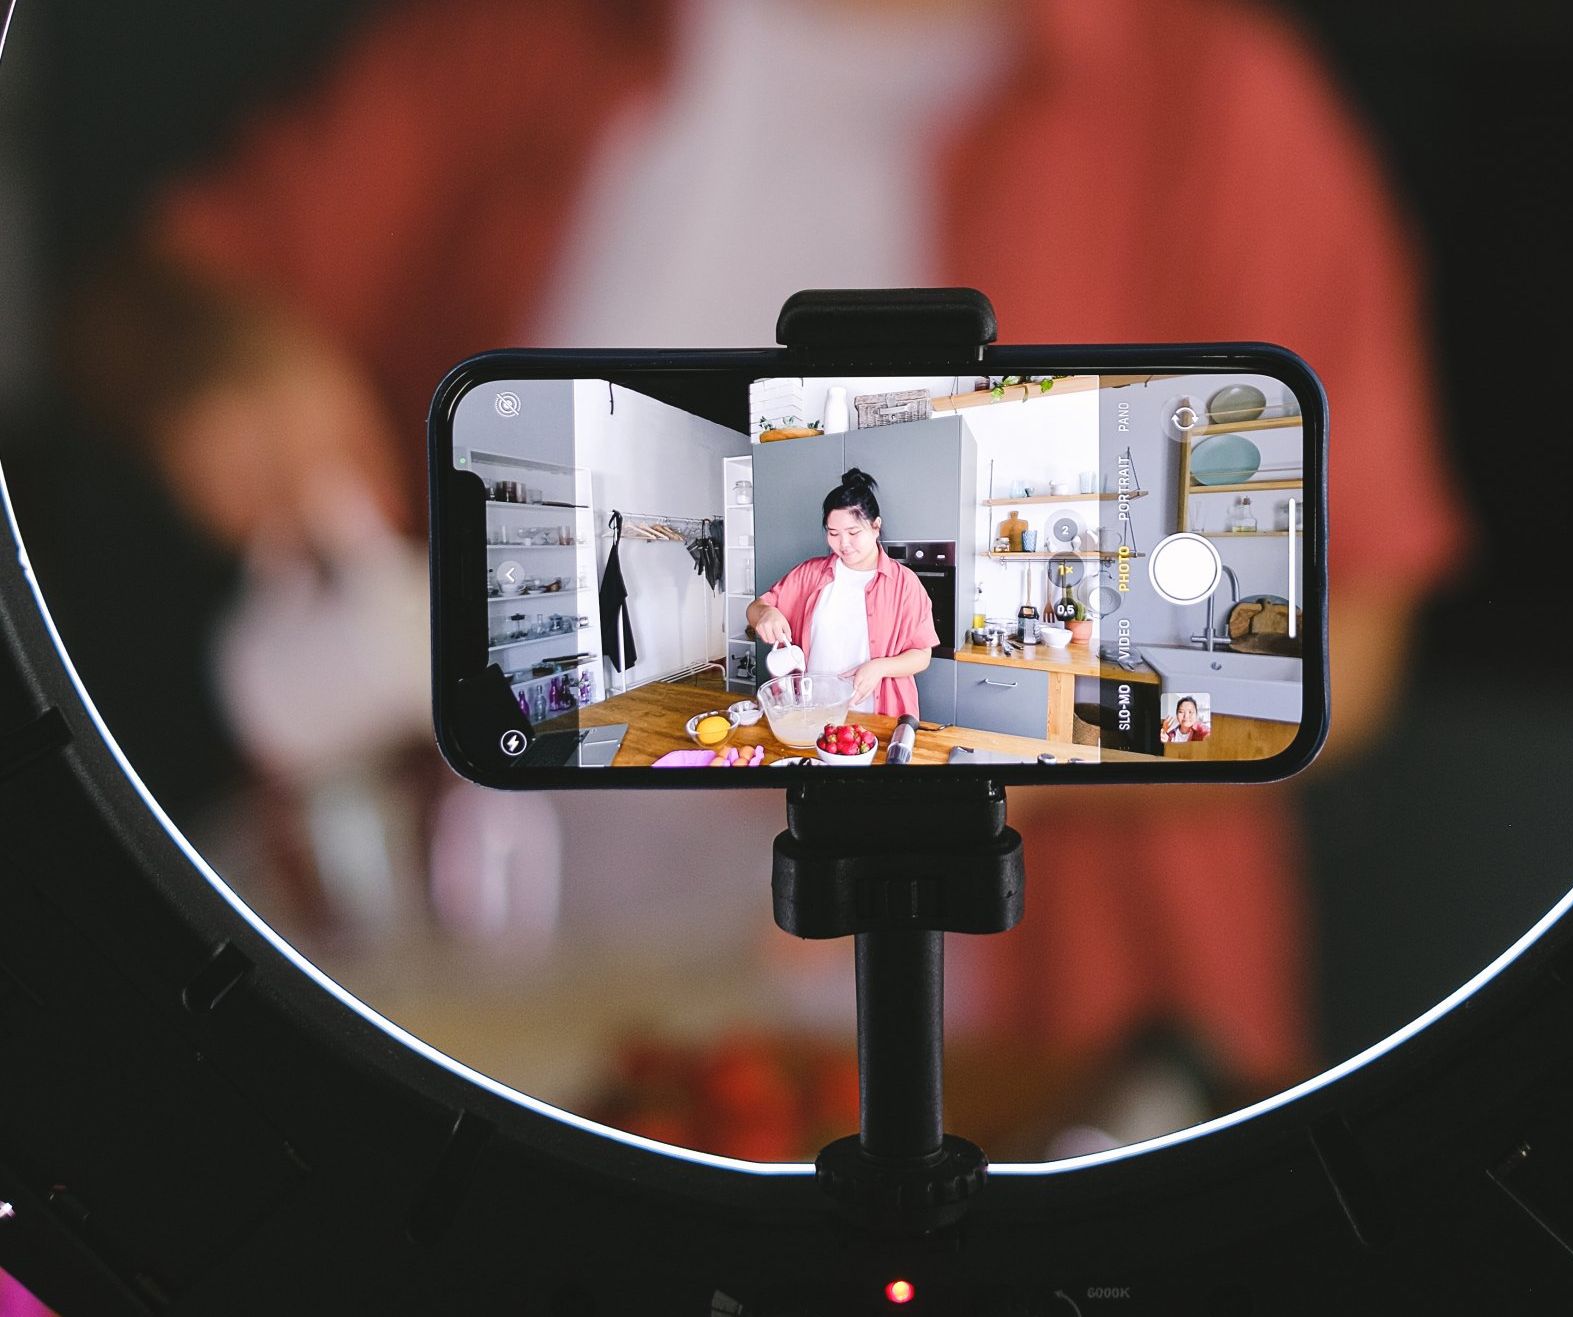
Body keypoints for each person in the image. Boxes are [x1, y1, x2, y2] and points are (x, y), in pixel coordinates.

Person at [69, 0, 1467, 1100]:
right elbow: (154, 297)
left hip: (1015, 1048)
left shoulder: (1216, 103)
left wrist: (1013, 743)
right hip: (497, 1010)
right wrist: (216, 360)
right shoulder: (510, 45)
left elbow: (1352, 629)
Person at [747, 469, 936, 717]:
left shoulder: (904, 584)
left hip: (878, 713)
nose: (843, 544)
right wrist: (766, 613)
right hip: (813, 711)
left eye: (853, 532)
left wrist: (879, 667)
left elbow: (922, 655)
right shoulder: (810, 573)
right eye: (833, 533)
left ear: (876, 526)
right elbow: (755, 608)